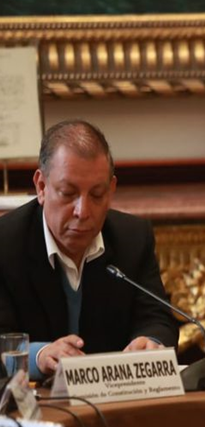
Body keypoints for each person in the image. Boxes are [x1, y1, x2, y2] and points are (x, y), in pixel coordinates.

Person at [0, 120, 178, 381]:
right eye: (68, 193)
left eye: (97, 195)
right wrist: (40, 355)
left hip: (115, 405)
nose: (83, 212)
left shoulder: (132, 237)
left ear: (112, 190)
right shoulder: (5, 243)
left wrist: (149, 342)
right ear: (41, 187)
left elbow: (157, 318)